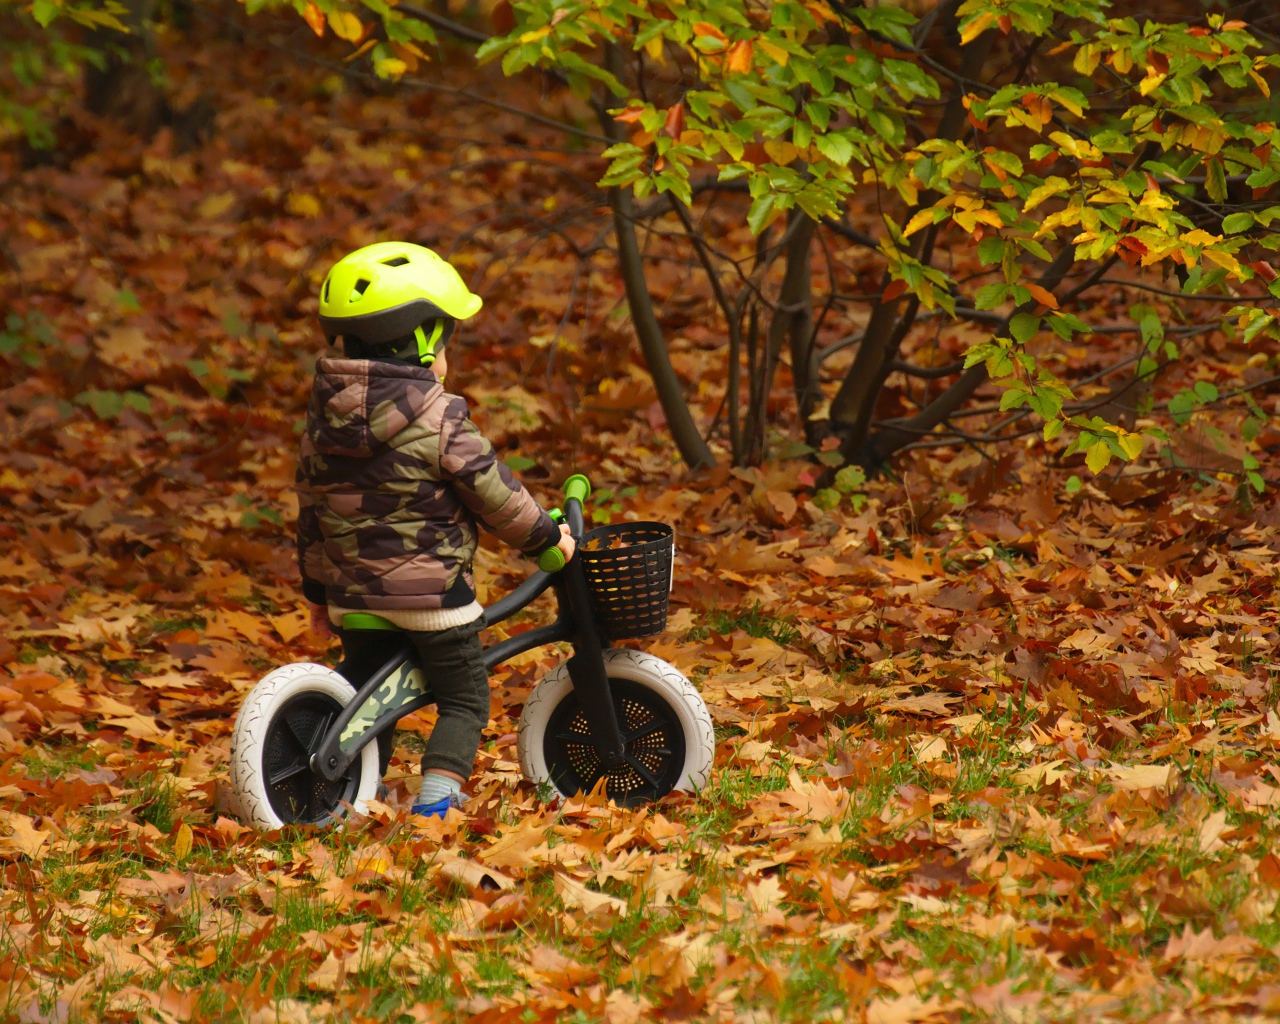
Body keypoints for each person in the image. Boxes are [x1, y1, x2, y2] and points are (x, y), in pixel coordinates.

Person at [295, 241, 575, 818]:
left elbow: (312, 513)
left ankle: (349, 795)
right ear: (424, 343)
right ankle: (437, 802)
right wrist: (546, 539)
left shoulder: (324, 421)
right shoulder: (440, 416)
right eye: (446, 338)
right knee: (465, 700)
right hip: (433, 600)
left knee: (367, 705)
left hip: (355, 598)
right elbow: (493, 492)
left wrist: (319, 593)